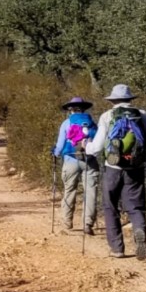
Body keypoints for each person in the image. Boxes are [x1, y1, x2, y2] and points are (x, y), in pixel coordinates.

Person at [95, 84, 146, 258]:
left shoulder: (107, 116)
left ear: (113, 100)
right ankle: (140, 231)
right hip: (136, 167)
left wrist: (88, 149)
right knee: (136, 206)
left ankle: (117, 248)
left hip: (113, 168)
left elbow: (97, 147)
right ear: (130, 99)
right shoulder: (142, 115)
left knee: (110, 206)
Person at [50, 96, 100, 234]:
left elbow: (60, 145)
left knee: (69, 190)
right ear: (84, 109)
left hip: (71, 160)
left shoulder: (66, 123)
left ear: (70, 110)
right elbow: (97, 142)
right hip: (89, 160)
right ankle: (88, 224)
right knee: (90, 192)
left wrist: (55, 153)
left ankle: (67, 222)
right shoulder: (92, 123)